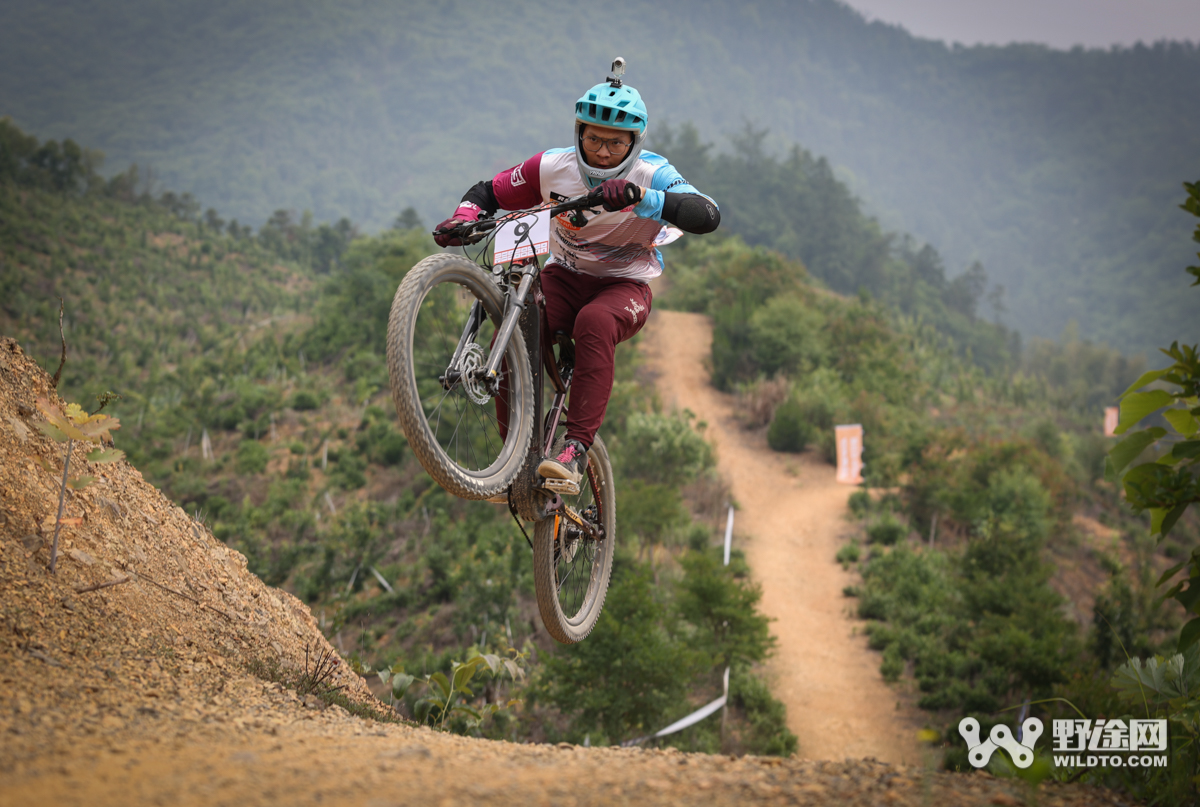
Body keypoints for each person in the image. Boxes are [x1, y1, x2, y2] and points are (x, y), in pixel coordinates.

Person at [434, 60, 720, 495]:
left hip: (624, 287)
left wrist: (643, 198)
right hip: (563, 278)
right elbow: (488, 192)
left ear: (634, 142)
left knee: (595, 323)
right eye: (593, 138)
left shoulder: (651, 172)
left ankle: (576, 448)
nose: (602, 151)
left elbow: (707, 214)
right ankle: (515, 456)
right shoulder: (552, 167)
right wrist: (463, 218)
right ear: (579, 132)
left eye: (615, 142)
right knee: (515, 329)